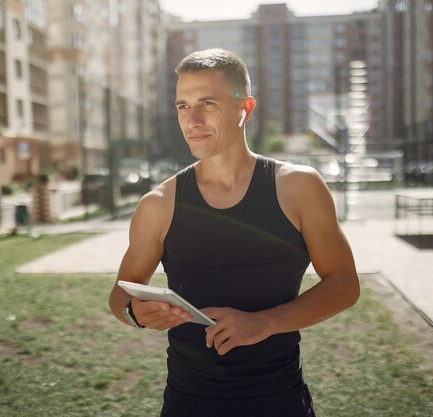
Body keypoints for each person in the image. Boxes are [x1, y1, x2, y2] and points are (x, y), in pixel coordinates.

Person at [108, 48, 359, 417]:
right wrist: (135, 312)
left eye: (207, 102)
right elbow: (119, 294)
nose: (191, 120)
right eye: (182, 105)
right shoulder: (158, 203)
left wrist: (265, 322)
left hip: (279, 400)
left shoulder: (298, 187)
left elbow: (345, 285)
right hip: (188, 403)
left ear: (246, 108)